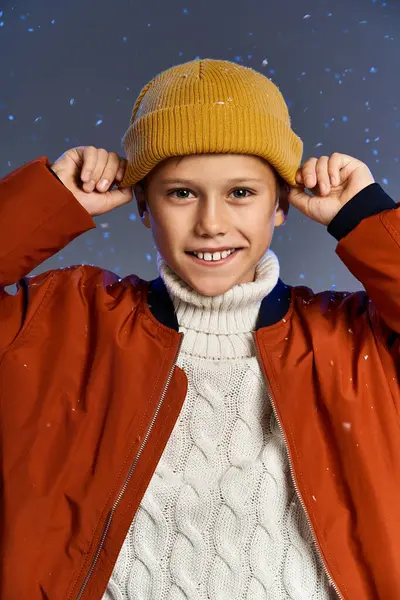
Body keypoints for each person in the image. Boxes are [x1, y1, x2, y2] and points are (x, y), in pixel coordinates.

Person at [0, 58, 399, 600]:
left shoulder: (357, 341)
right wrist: (48, 202)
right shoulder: (63, 321)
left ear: (280, 203)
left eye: (241, 193)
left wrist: (369, 217)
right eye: (181, 193)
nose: (211, 222)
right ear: (143, 204)